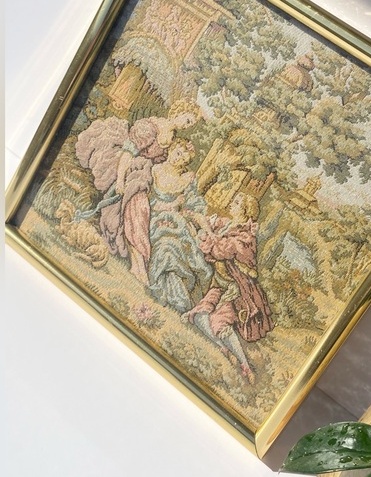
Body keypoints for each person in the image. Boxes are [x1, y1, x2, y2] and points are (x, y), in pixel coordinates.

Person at [75, 100, 201, 283]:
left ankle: (141, 263)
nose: (186, 125)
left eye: (190, 124)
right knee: (139, 205)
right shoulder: (150, 127)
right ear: (178, 112)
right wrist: (120, 179)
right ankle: (138, 263)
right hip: (130, 169)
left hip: (146, 177)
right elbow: (128, 153)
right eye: (187, 120)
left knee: (148, 209)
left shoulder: (173, 139)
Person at [183, 191, 274, 383]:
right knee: (199, 315)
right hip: (221, 284)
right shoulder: (228, 224)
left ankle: (245, 365)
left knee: (218, 322)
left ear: (246, 211)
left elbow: (218, 250)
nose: (233, 201)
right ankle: (223, 348)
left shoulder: (244, 238)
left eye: (239, 202)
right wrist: (195, 217)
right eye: (235, 199)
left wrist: (203, 234)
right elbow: (208, 222)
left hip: (238, 292)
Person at [147, 138, 213, 312]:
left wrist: (208, 231)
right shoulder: (155, 169)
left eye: (183, 159)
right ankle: (170, 291)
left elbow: (194, 207)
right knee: (166, 246)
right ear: (170, 150)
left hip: (177, 222)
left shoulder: (187, 179)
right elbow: (146, 198)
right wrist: (171, 204)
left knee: (183, 248)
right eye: (177, 153)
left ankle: (179, 292)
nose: (178, 159)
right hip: (154, 218)